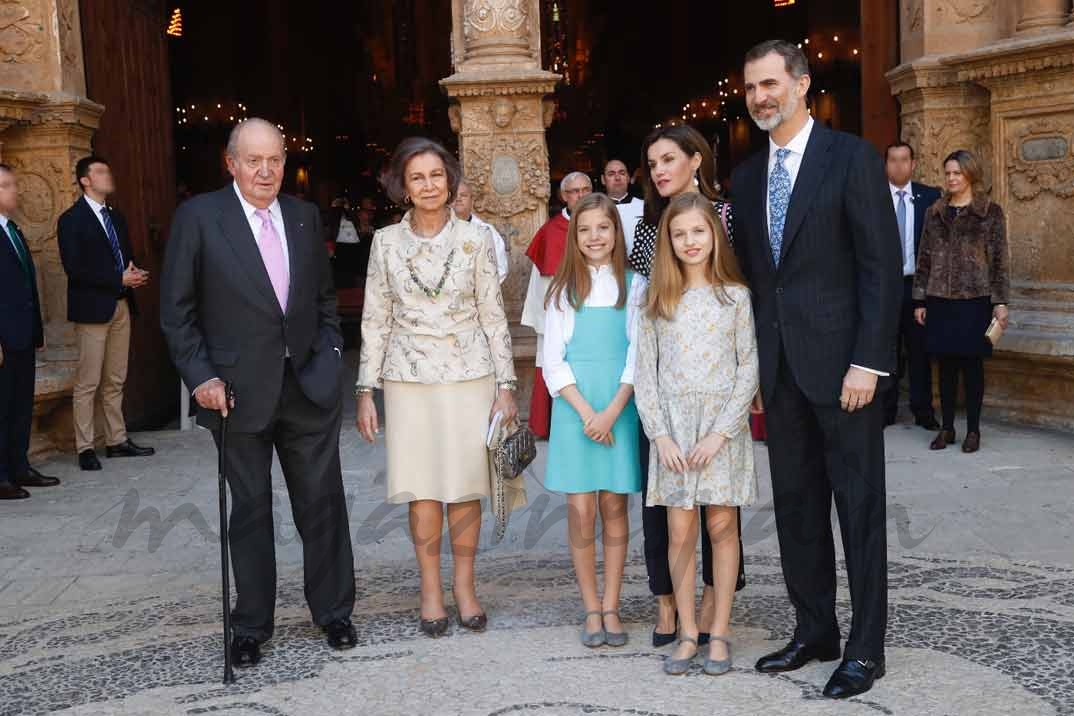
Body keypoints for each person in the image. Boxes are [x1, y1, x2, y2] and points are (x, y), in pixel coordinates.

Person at [733, 40, 901, 699]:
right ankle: (815, 630)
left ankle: (865, 648)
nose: (760, 97)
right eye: (751, 88)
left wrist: (869, 363)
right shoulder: (747, 179)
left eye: (770, 83)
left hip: (846, 374)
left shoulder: (852, 158)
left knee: (858, 509)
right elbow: (752, 281)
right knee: (798, 507)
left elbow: (880, 270)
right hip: (779, 374)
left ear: (802, 84)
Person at [161, 118, 358, 667]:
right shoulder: (199, 218)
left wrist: (330, 356)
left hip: (307, 387)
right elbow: (178, 315)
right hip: (234, 394)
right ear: (231, 164)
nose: (266, 171)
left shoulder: (302, 216)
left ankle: (334, 612)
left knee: (322, 505)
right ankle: (250, 624)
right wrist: (201, 377)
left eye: (275, 159)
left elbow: (322, 299)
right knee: (248, 511)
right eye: (254, 160)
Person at [355, 137, 517, 638]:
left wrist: (507, 385)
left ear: (451, 182)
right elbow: (376, 318)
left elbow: (494, 314)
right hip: (408, 380)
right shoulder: (384, 242)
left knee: (467, 488)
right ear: (403, 187)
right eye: (417, 177)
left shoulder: (475, 241)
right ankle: (430, 590)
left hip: (471, 375)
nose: (428, 185)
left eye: (437, 175)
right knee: (423, 489)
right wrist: (365, 389)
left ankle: (465, 587)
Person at [626, 123, 745, 650]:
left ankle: (715, 610)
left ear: (696, 160)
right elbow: (643, 313)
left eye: (668, 159)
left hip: (720, 397)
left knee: (721, 516)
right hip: (667, 400)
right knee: (666, 514)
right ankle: (670, 605)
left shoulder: (728, 217)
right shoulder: (650, 227)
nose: (660, 171)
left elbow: (744, 299)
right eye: (652, 164)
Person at [636, 193, 758, 676]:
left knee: (722, 528)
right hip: (673, 432)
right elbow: (646, 375)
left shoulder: (735, 296)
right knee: (680, 531)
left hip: (720, 433)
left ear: (714, 236)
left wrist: (721, 432)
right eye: (680, 233)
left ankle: (720, 631)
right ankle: (688, 631)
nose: (690, 242)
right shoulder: (657, 300)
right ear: (668, 241)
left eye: (699, 232)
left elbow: (748, 367)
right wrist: (660, 435)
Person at [542, 192, 644, 649]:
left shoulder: (634, 285)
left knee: (614, 506)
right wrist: (587, 414)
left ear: (615, 232)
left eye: (603, 227)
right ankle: (589, 606)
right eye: (584, 230)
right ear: (574, 237)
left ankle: (612, 604)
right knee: (582, 510)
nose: (594, 237)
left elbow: (638, 355)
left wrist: (612, 412)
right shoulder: (562, 290)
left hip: (617, 408)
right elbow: (552, 361)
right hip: (576, 412)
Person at [58, 156, 156, 471]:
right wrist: (117, 278)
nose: (108, 175)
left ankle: (117, 440)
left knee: (116, 378)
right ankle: (85, 446)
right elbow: (75, 269)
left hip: (121, 305)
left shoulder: (117, 217)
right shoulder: (71, 219)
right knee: (88, 381)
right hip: (92, 309)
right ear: (85, 180)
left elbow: (122, 257)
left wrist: (132, 272)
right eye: (101, 171)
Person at [914, 149, 1010, 454]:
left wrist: (1000, 301)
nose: (951, 178)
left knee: (972, 367)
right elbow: (924, 258)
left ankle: (973, 430)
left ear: (970, 174)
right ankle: (947, 428)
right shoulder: (935, 212)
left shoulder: (990, 212)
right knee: (945, 366)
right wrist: (920, 299)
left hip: (975, 300)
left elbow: (999, 261)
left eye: (957, 173)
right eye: (948, 173)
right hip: (940, 299)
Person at [0, 164, 60, 500]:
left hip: (22, 335)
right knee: (2, 406)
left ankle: (19, 466)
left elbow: (27, 288)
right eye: (6, 185)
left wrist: (36, 333)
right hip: (3, 338)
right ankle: (1, 475)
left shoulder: (14, 230)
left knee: (21, 404)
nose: (14, 190)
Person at [520, 171, 593, 438]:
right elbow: (540, 282)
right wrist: (543, 320)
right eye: (574, 191)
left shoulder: (606, 224)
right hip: (561, 310)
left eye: (586, 190)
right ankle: (550, 425)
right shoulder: (551, 231)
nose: (581, 196)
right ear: (564, 196)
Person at [884, 142, 942, 429]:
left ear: (913, 163)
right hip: (884, 288)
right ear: (886, 165)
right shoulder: (874, 196)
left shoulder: (931, 197)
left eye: (904, 160)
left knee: (920, 352)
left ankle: (923, 411)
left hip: (917, 289)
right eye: (893, 160)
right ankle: (886, 410)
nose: (898, 166)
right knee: (886, 350)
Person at [452, 179, 509, 283]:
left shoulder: (486, 231)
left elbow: (501, 268)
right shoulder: (439, 230)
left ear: (472, 200)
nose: (458, 199)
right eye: (454, 196)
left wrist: (480, 289)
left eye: (463, 195)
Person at [601, 159, 644, 247]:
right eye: (611, 174)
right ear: (603, 180)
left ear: (628, 178)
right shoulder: (597, 209)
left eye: (622, 173)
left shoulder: (644, 206)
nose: (617, 178)